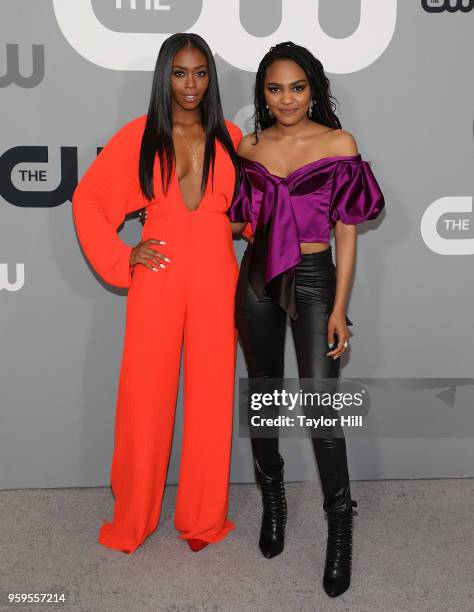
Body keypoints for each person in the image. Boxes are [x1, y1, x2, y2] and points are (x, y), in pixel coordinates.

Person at [72, 33, 242, 555]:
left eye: (200, 73)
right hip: (159, 273)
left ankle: (203, 518)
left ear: (210, 78)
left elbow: (246, 214)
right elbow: (89, 200)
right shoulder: (141, 136)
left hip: (218, 275)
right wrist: (126, 257)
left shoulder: (231, 135)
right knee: (145, 397)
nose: (190, 85)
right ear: (164, 75)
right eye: (179, 73)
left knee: (213, 398)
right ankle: (134, 518)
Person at [227, 42, 385, 598]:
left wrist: (340, 308)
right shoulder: (249, 147)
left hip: (318, 280)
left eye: (297, 87)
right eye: (275, 88)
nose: (287, 98)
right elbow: (241, 221)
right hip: (257, 283)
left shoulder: (339, 144)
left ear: (313, 89)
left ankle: (339, 530)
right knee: (264, 396)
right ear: (262, 95)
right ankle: (275, 505)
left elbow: (347, 231)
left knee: (322, 408)